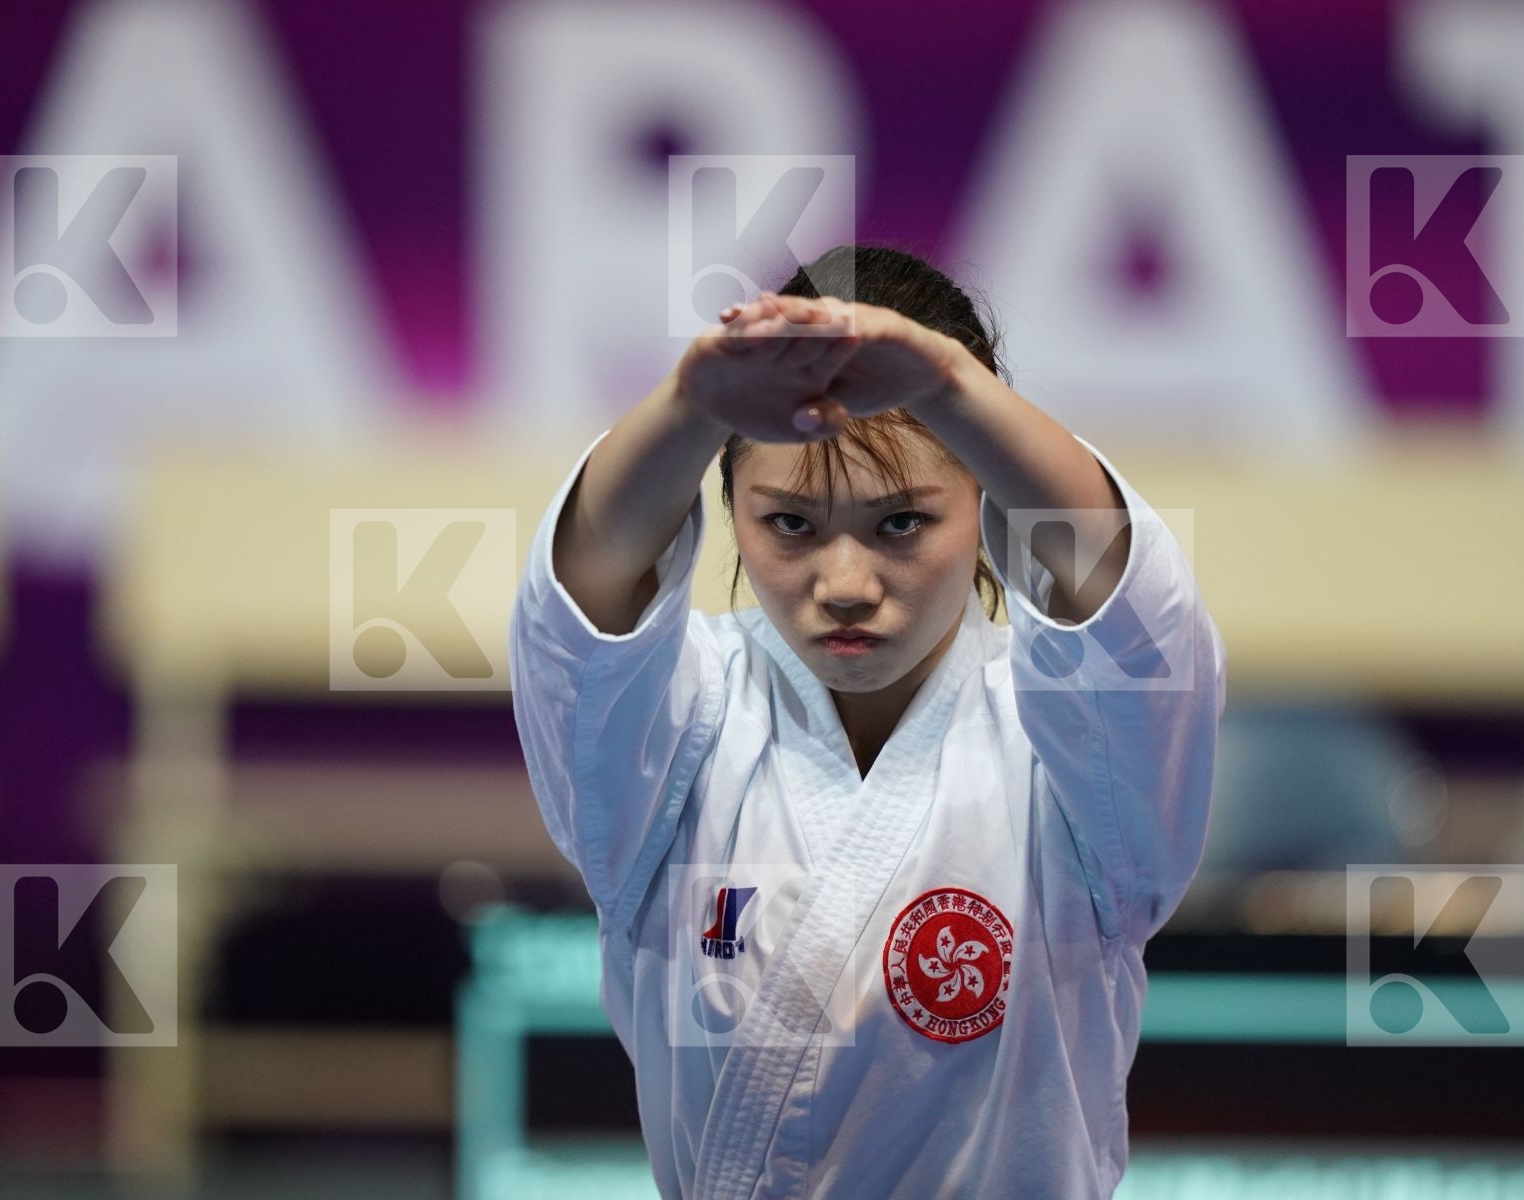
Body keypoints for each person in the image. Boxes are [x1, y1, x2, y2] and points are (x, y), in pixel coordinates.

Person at [507, 244, 1227, 1200]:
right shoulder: (681, 722)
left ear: (984, 502)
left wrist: (949, 387)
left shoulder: (1069, 748)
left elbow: (1139, 619)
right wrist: (689, 405)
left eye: (901, 523)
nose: (845, 585)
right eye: (790, 525)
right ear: (732, 508)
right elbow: (579, 613)